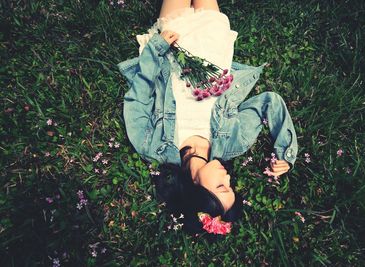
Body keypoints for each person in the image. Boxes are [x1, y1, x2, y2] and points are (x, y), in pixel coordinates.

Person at [117, 0, 298, 236]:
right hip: (213, 52)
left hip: (173, 51)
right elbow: (269, 102)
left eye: (222, 186)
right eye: (231, 185)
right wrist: (285, 152)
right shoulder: (235, 142)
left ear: (195, 187)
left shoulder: (152, 146)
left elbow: (139, 97)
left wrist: (156, 49)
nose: (229, 176)